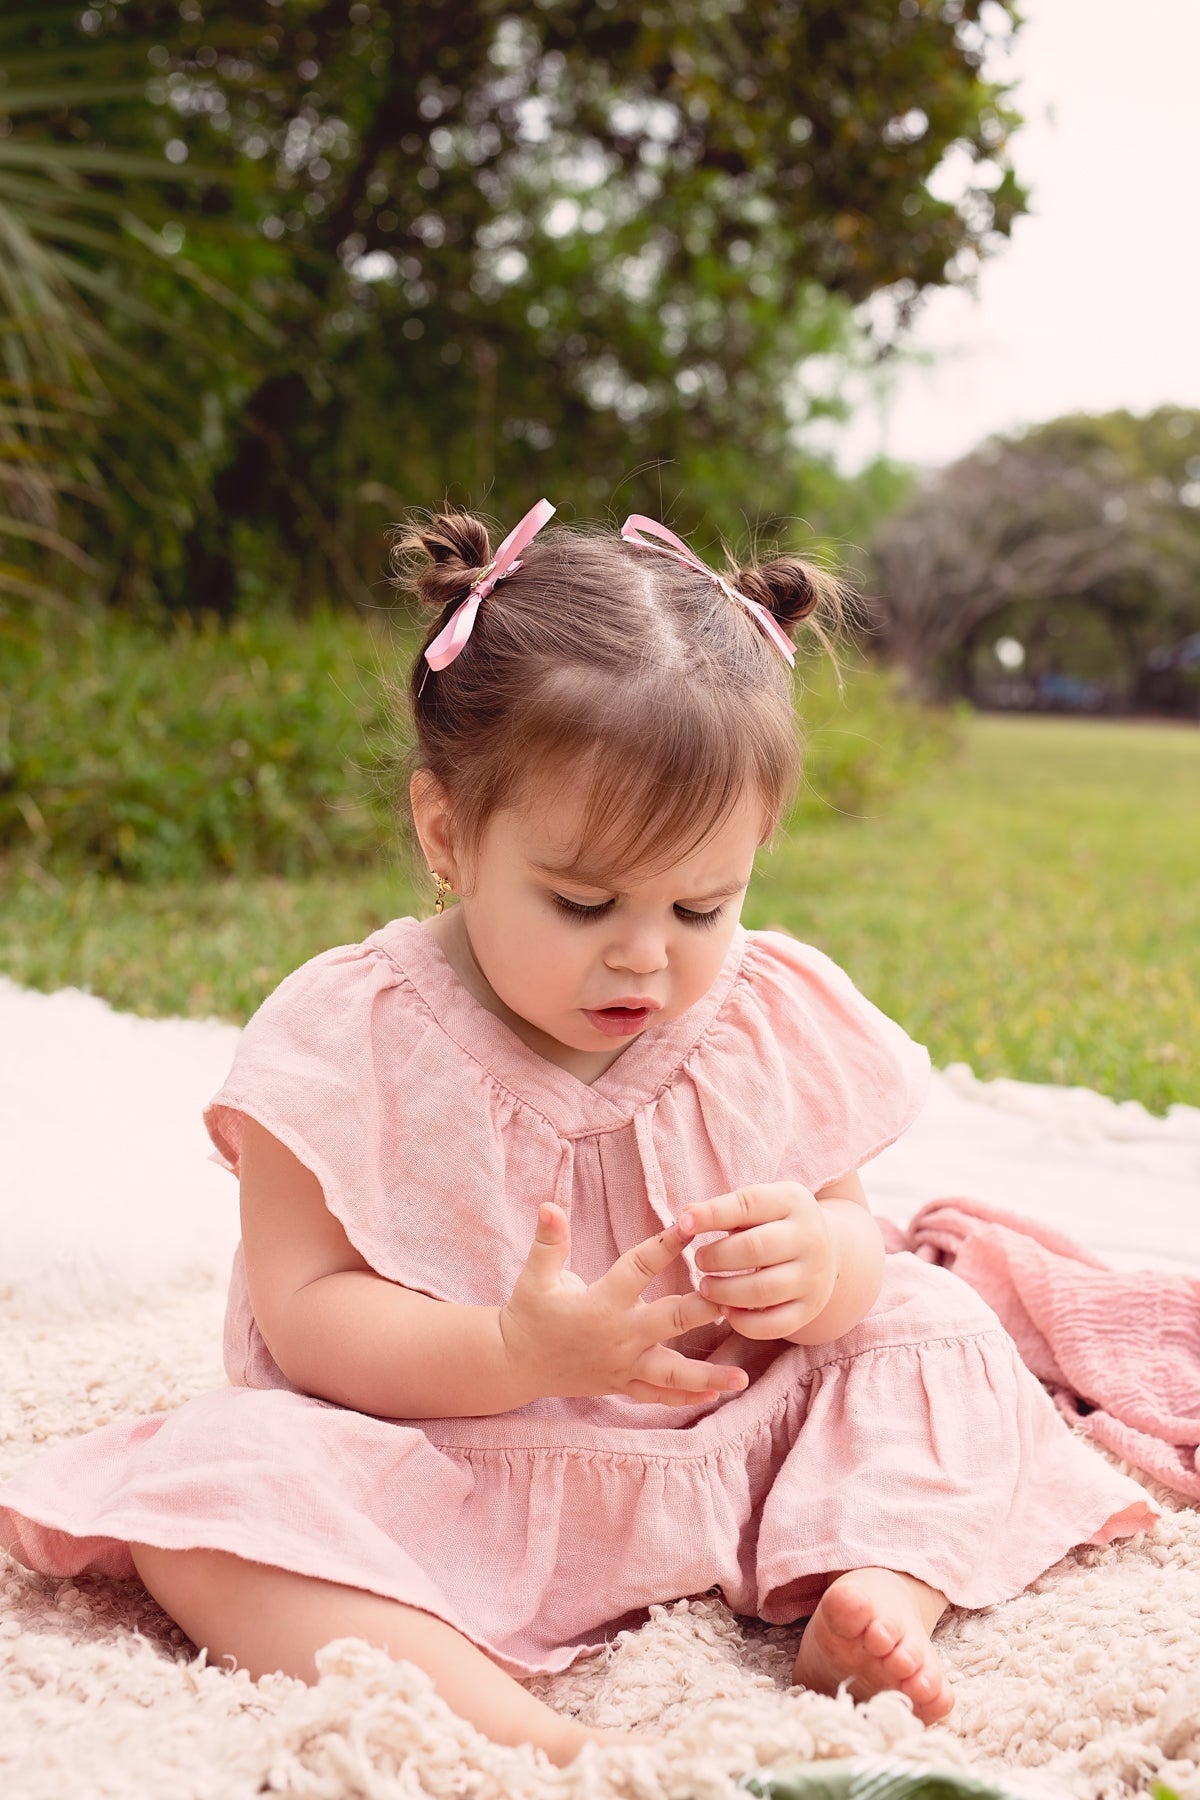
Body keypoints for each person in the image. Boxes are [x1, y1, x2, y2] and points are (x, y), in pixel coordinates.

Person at [0, 501, 1158, 1768]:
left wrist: (820, 1265)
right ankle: (536, 1741)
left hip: (733, 1448)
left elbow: (848, 1229)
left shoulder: (761, 1011)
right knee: (207, 1490)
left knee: (935, 1327)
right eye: (584, 901)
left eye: (701, 907)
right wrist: (512, 1351)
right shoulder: (350, 1038)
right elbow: (304, 1318)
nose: (646, 956)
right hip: (453, 1471)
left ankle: (877, 1587)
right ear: (448, 836)